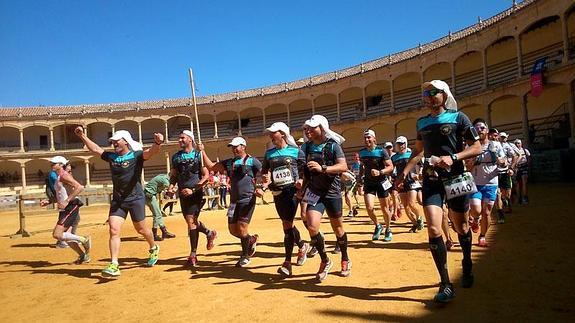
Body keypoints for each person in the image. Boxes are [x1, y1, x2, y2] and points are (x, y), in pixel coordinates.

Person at [397, 80, 481, 303]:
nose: (430, 96)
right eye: (426, 93)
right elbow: (418, 151)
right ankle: (445, 283)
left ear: (445, 95)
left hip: (456, 177)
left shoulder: (459, 117)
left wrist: (453, 157)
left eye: (435, 92)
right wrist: (404, 172)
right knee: (434, 228)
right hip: (431, 178)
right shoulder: (422, 122)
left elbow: (476, 146)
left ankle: (466, 261)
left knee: (461, 226)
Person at [74, 127, 162, 277]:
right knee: (113, 230)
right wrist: (82, 136)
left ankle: (153, 247)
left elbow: (151, 152)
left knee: (141, 230)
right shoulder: (112, 157)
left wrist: (157, 143)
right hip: (118, 200)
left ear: (126, 142)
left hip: (136, 198)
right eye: (112, 141)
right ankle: (114, 264)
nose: (113, 143)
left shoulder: (136, 155)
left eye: (116, 140)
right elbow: (95, 149)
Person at [301, 115, 351, 281]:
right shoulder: (306, 147)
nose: (308, 130)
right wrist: (302, 186)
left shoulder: (333, 146)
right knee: (312, 226)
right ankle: (325, 260)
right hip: (315, 191)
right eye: (307, 128)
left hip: (332, 191)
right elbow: (305, 169)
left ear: (322, 128)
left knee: (338, 228)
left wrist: (323, 168)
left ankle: (345, 258)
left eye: (312, 127)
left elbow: (343, 166)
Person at [199, 137, 262, 268]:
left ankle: (245, 256)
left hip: (247, 199)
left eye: (236, 146)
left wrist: (261, 187)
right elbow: (211, 166)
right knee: (233, 230)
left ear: (243, 146)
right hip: (234, 201)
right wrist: (202, 151)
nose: (234, 149)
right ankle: (251, 240)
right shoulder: (229, 163)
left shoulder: (253, 161)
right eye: (232, 147)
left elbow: (264, 174)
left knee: (242, 229)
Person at [261, 122, 311, 277]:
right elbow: (265, 171)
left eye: (273, 132)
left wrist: (302, 181)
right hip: (277, 192)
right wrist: (264, 178)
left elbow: (305, 171)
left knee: (287, 226)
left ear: (282, 133)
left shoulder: (296, 151)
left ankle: (287, 262)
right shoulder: (269, 153)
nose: (270, 135)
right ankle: (302, 245)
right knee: (286, 223)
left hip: (293, 192)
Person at [168, 130, 217, 267]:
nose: (179, 140)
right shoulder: (176, 157)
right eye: (179, 138)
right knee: (191, 221)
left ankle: (193, 255)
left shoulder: (198, 155)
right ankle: (209, 232)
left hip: (196, 193)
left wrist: (194, 189)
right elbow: (175, 175)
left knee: (191, 222)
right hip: (183, 194)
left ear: (190, 139)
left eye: (182, 138)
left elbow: (206, 176)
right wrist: (171, 186)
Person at [40, 156, 91, 264]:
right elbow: (61, 194)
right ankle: (83, 256)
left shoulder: (63, 175)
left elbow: (80, 187)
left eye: (54, 163)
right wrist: (49, 201)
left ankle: (84, 239)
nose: (52, 165)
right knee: (66, 236)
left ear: (60, 164)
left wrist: (67, 200)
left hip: (70, 207)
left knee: (57, 234)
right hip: (67, 208)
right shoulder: (59, 176)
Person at [466, 119, 506, 247]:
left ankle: (482, 236)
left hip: (491, 182)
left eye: (482, 128)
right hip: (475, 183)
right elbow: (467, 167)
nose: (480, 130)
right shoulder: (470, 147)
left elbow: (504, 160)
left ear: (487, 130)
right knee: (476, 210)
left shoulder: (495, 145)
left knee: (487, 212)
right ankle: (476, 220)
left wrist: (502, 162)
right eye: (477, 128)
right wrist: (473, 160)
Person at [358, 130, 394, 241]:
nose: (367, 140)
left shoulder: (382, 151)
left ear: (374, 139)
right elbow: (362, 166)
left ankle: (388, 229)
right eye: (365, 138)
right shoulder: (362, 152)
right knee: (369, 207)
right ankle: (378, 225)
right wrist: (359, 178)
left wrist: (381, 172)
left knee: (384, 208)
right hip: (369, 182)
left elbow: (390, 166)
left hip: (381, 182)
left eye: (369, 137)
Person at [391, 136, 424, 233]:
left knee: (411, 203)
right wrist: (395, 181)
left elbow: (420, 164)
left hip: (412, 181)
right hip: (401, 183)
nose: (400, 146)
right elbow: (393, 170)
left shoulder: (411, 154)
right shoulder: (394, 157)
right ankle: (414, 223)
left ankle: (419, 218)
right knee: (405, 206)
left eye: (402, 143)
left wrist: (419, 174)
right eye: (398, 144)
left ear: (406, 144)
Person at [144, 173, 176, 241]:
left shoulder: (163, 177)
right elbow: (169, 192)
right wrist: (173, 189)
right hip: (150, 195)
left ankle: (164, 232)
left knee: (158, 214)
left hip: (151, 195)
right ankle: (155, 235)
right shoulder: (165, 181)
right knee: (157, 215)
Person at [498, 132, 518, 214]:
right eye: (501, 137)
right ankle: (504, 206)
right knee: (500, 191)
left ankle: (508, 204)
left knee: (507, 190)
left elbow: (515, 156)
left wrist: (511, 168)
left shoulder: (507, 146)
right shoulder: (495, 145)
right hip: (497, 171)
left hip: (506, 171)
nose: (502, 138)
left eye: (504, 137)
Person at [514, 139, 531, 205]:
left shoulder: (525, 150)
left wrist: (528, 166)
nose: (517, 144)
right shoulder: (514, 151)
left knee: (524, 182)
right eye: (516, 143)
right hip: (517, 168)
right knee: (517, 184)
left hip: (524, 167)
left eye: (518, 143)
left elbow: (529, 159)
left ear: (521, 144)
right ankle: (519, 197)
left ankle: (524, 197)